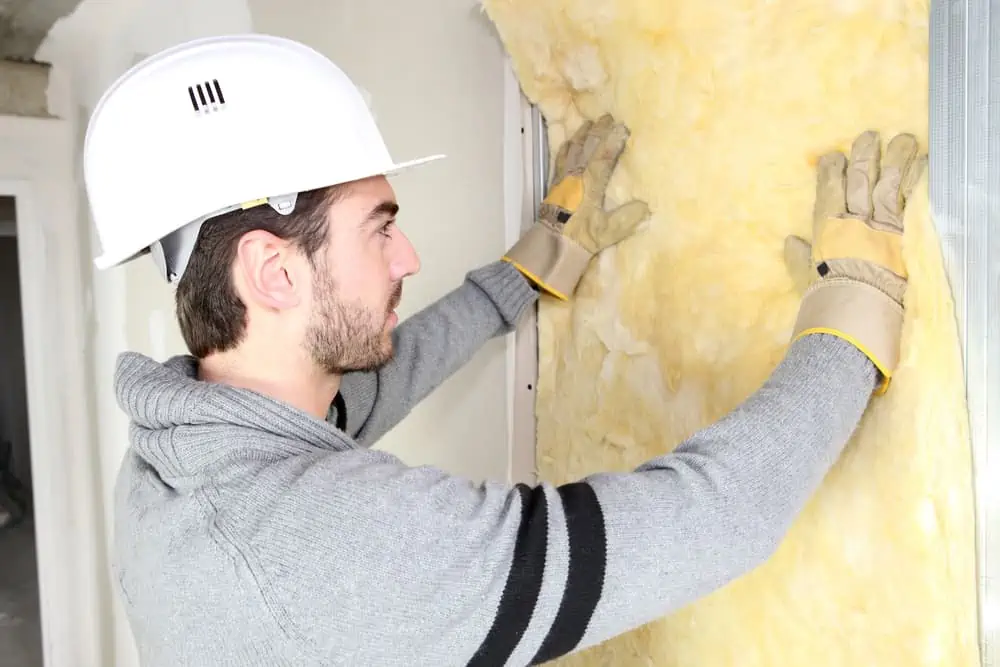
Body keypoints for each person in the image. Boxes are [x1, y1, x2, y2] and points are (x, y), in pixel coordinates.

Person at [84, 33, 923, 667]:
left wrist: (531, 267)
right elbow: (711, 518)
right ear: (273, 271)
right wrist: (852, 307)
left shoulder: (179, 460)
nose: (408, 256)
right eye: (380, 229)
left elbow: (378, 381)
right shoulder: (338, 544)